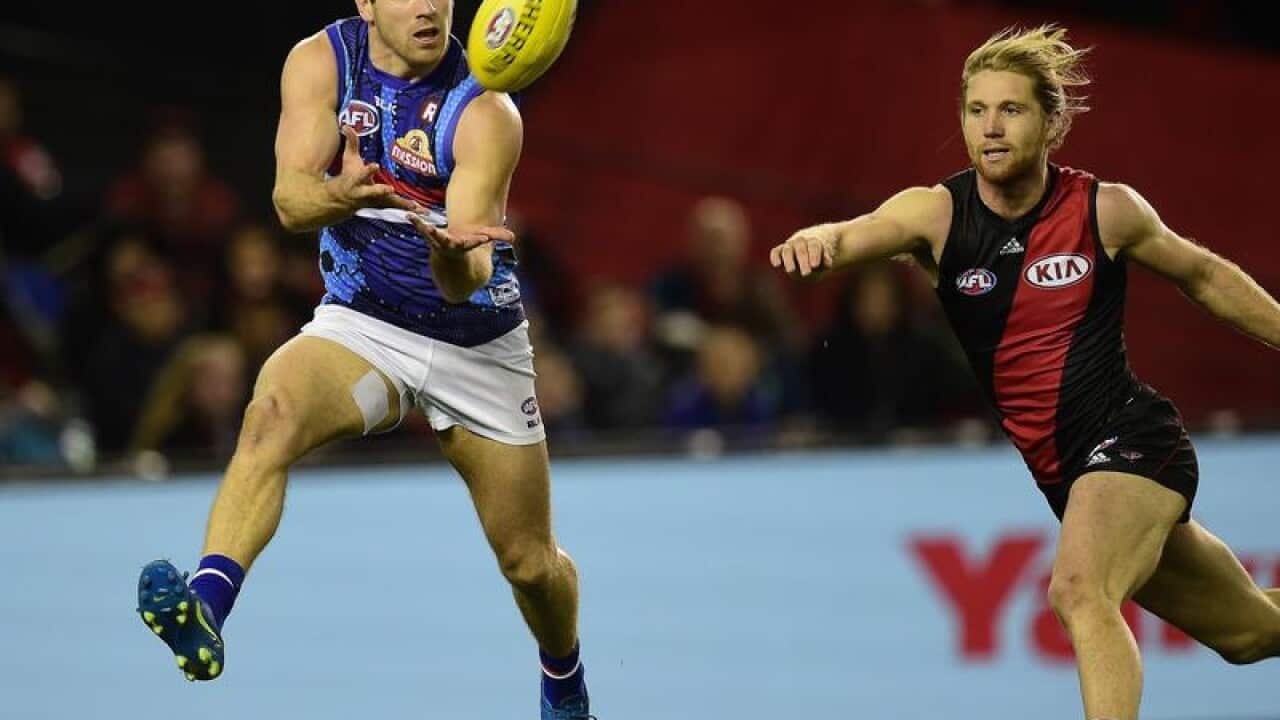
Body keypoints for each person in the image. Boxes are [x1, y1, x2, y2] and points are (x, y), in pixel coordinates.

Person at [770, 25, 1280, 720]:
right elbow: (859, 231)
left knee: (1078, 588)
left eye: (1011, 109)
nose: (992, 127)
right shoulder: (939, 215)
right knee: (1252, 633)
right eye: (977, 111)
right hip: (1065, 474)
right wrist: (820, 237)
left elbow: (1206, 277)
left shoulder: (1106, 209)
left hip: (1134, 438)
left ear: (1052, 122)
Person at [134, 2, 592, 718]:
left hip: (477, 347)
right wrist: (336, 193)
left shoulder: (485, 109)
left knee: (529, 564)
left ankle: (564, 678)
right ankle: (206, 609)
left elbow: (467, 276)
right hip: (364, 324)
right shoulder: (322, 63)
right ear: (366, 4)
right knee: (271, 414)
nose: (426, 7)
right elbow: (289, 201)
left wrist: (451, 256)